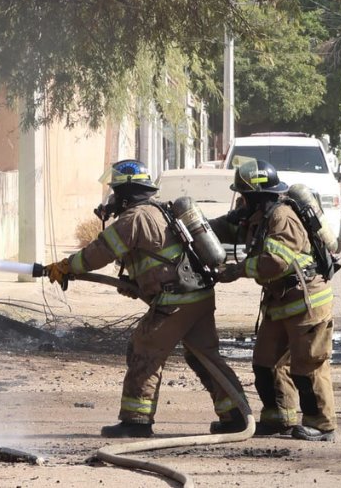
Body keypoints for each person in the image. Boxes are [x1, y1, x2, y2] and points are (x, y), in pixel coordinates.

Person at [47, 159, 247, 438]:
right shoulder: (159, 210)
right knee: (205, 357)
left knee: (145, 350)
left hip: (176, 301)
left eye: (116, 191)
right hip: (197, 297)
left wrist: (67, 266)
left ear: (127, 192)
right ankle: (235, 415)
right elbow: (155, 260)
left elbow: (99, 252)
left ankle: (136, 421)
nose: (113, 198)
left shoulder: (135, 218)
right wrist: (138, 283)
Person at [209, 159, 336, 442]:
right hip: (280, 302)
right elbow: (229, 229)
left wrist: (237, 270)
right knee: (266, 362)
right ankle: (279, 417)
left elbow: (274, 262)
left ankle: (322, 424)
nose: (241, 201)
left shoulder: (282, 217)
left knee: (308, 365)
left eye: (244, 195)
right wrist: (198, 226)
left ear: (256, 196)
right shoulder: (259, 218)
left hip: (307, 303)